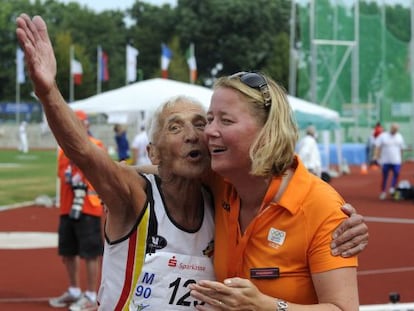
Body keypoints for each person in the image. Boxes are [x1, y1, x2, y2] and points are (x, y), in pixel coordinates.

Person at [16, 15, 367, 310]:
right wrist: (48, 91)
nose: (202, 133)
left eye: (213, 122)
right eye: (177, 127)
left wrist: (267, 306)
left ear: (265, 131)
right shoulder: (174, 190)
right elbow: (90, 158)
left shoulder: (250, 191)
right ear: (154, 152)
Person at [189, 72, 360, 310]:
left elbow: (343, 309)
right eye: (210, 119)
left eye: (226, 121)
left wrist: (265, 305)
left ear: (268, 131)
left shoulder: (321, 207)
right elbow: (161, 171)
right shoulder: (221, 181)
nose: (209, 131)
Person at [49, 110, 105, 310]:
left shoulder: (95, 145)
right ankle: (74, 290)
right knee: (67, 252)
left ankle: (90, 294)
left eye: (78, 122)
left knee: (90, 253)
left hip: (88, 207)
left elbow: (99, 170)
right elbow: (62, 176)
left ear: (86, 125)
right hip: (67, 207)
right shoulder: (63, 150)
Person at [373, 123, 406, 200]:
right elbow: (377, 146)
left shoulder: (399, 137)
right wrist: (376, 156)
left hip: (396, 160)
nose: (395, 130)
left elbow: (401, 149)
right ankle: (383, 192)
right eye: (394, 128)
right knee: (385, 176)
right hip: (385, 160)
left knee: (396, 173)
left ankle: (392, 188)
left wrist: (401, 159)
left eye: (396, 129)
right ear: (391, 128)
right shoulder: (383, 136)